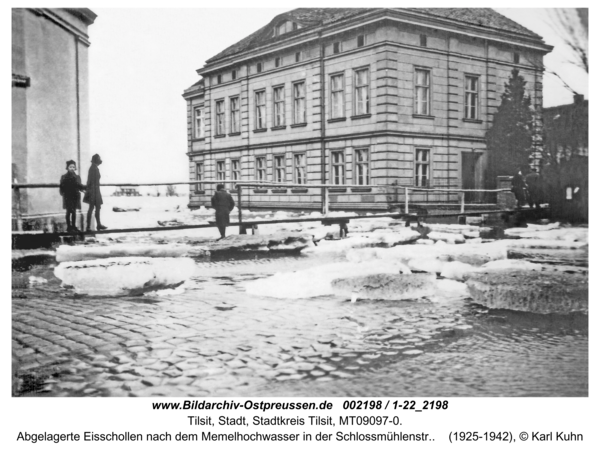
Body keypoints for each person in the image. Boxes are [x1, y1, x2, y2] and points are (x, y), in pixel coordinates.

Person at [83, 154, 107, 231]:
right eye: (99, 159)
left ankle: (97, 224)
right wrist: (89, 190)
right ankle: (89, 226)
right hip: (93, 191)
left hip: (95, 190)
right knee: (92, 208)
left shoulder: (94, 167)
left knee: (97, 208)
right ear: (96, 160)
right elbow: (90, 181)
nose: (100, 160)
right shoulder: (93, 168)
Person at [59, 160, 85, 232]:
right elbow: (62, 187)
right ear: (67, 167)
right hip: (68, 196)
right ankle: (69, 226)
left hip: (75, 196)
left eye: (73, 167)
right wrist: (63, 193)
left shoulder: (77, 177)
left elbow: (80, 186)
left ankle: (73, 226)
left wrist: (84, 189)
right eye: (70, 167)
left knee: (74, 212)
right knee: (68, 212)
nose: (72, 168)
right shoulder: (64, 177)